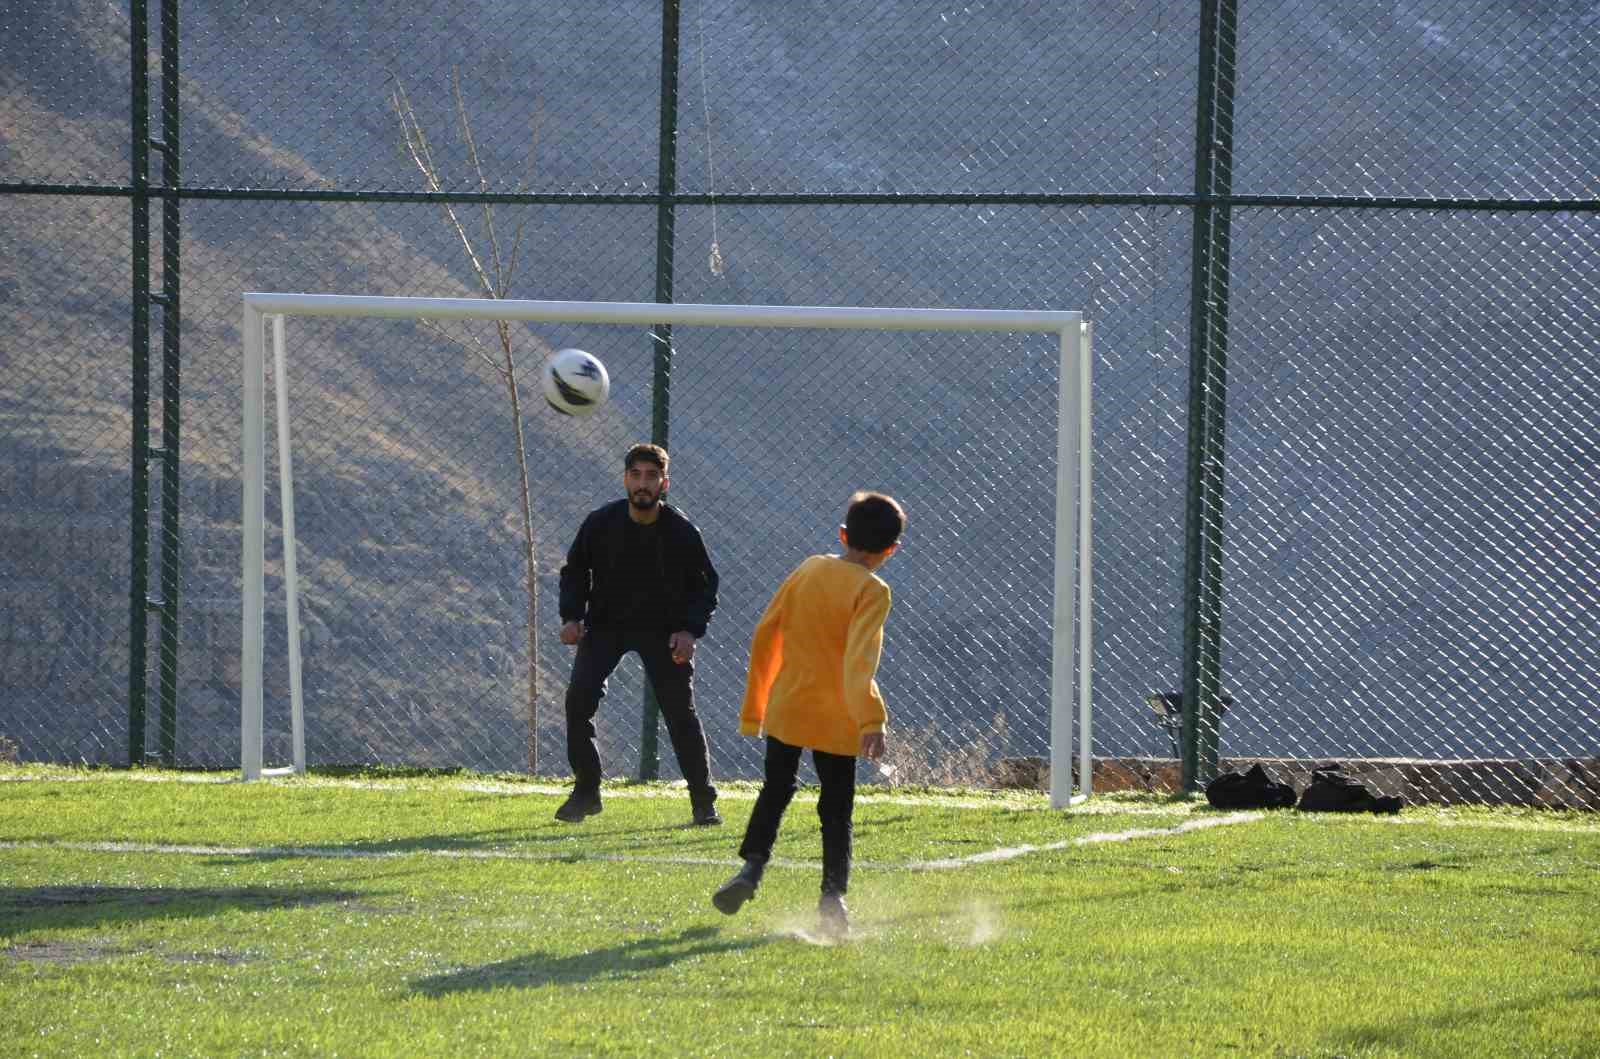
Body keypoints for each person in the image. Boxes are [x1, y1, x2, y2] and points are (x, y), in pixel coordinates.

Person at [711, 491, 906, 938]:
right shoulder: (873, 591)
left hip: (788, 705)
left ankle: (751, 870)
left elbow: (766, 631)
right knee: (836, 808)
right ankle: (832, 898)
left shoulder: (809, 567)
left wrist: (756, 704)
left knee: (776, 790)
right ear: (890, 550)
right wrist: (871, 719)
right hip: (836, 716)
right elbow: (859, 661)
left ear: (842, 534)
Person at [555, 443, 722, 826]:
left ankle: (703, 802)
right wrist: (571, 617)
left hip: (663, 632)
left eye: (651, 477)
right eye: (636, 476)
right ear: (625, 479)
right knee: (578, 701)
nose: (642, 484)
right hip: (606, 626)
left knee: (680, 713)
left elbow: (706, 586)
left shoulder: (681, 532)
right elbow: (575, 572)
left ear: (665, 483)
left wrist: (689, 630)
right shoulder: (600, 523)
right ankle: (586, 792)